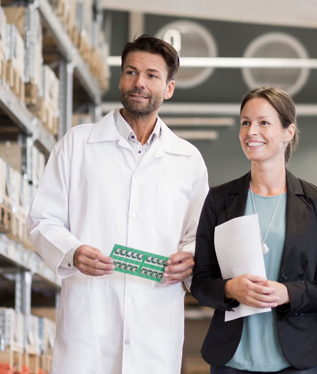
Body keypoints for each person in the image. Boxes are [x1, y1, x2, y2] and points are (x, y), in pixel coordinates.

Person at [27, 35, 209, 374]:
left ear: (168, 88)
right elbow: (42, 219)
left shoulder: (188, 160)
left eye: (152, 75)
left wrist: (190, 256)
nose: (139, 82)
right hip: (90, 323)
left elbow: (197, 233)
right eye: (131, 72)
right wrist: (73, 251)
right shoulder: (78, 145)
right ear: (121, 78)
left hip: (154, 326)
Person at [191, 87, 317, 374]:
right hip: (231, 359)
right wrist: (228, 288)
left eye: (264, 122)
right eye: (246, 122)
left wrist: (287, 293)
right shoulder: (219, 200)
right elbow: (200, 281)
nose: (251, 131)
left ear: (288, 132)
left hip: (298, 360)